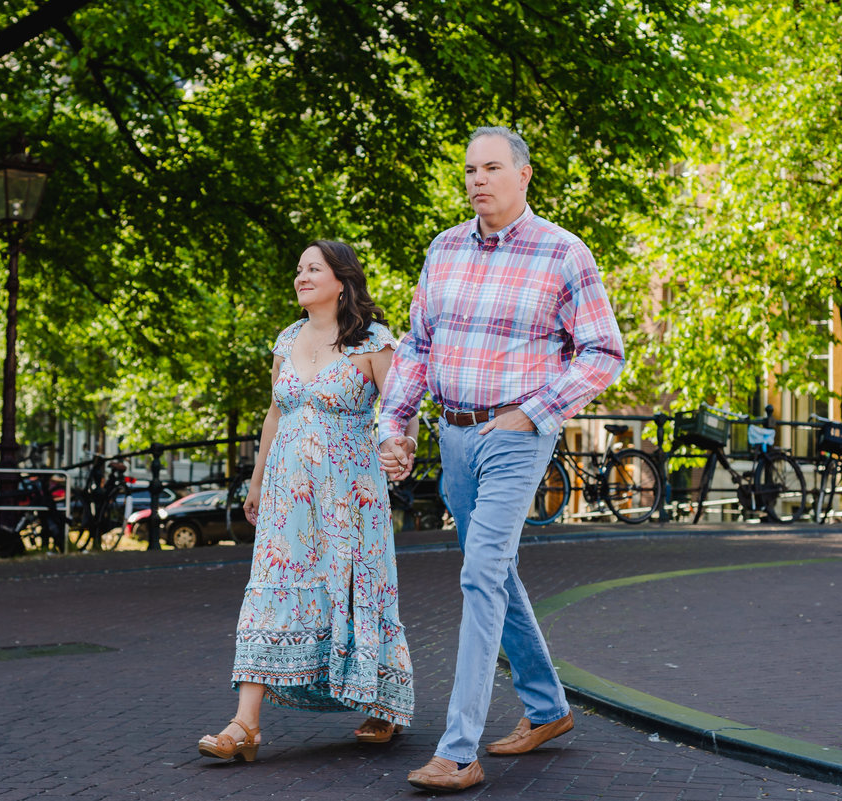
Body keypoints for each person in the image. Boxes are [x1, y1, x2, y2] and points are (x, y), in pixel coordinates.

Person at [377, 126, 625, 792]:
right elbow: (417, 346)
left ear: (524, 175)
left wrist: (535, 411)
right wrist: (395, 425)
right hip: (453, 434)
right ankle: (547, 708)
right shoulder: (444, 248)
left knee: (480, 573)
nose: (477, 179)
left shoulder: (563, 253)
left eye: (491, 168)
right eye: (469, 169)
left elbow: (603, 351)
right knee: (494, 570)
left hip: (517, 435)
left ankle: (458, 749)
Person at [198, 239, 418, 763]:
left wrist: (400, 445)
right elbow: (276, 414)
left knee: (356, 589)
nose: (301, 277)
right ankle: (244, 725)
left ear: (341, 280)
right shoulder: (287, 338)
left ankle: (383, 705)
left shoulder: (373, 342)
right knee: (273, 589)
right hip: (286, 496)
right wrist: (255, 482)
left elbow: (400, 408)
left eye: (313, 269)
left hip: (350, 496)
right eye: (298, 270)